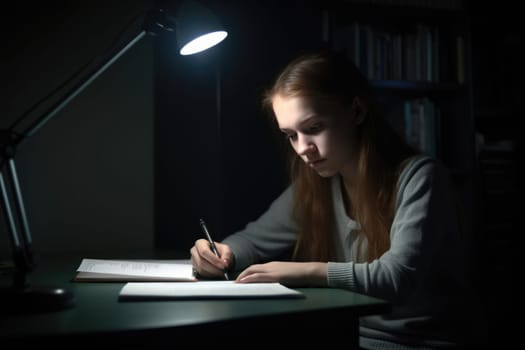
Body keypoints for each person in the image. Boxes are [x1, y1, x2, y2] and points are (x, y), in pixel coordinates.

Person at [190, 50, 484, 348]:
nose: (303, 148)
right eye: (290, 135)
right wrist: (220, 253)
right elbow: (252, 240)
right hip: (347, 338)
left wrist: (306, 271)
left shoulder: (421, 177)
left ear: (356, 111)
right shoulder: (318, 184)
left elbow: (397, 277)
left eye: (314, 128)